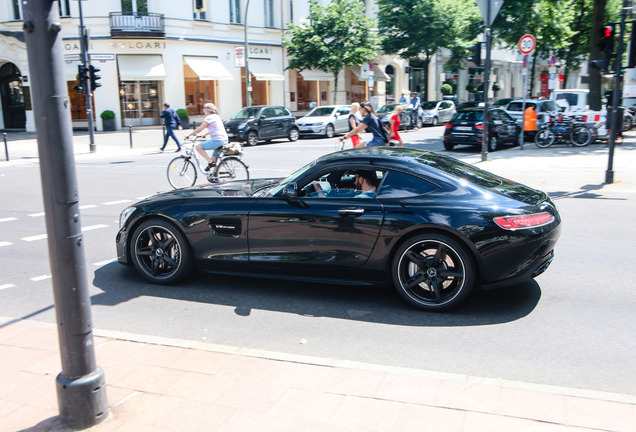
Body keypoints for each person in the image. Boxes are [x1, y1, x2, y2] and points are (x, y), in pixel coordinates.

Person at [186, 103, 229, 172]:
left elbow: (200, 128)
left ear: (207, 110)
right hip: (224, 139)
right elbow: (216, 129)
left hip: (217, 140)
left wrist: (189, 135)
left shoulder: (209, 118)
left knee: (198, 147)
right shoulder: (217, 116)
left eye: (204, 110)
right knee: (213, 160)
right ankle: (215, 176)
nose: (204, 112)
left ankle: (210, 162)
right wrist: (205, 134)